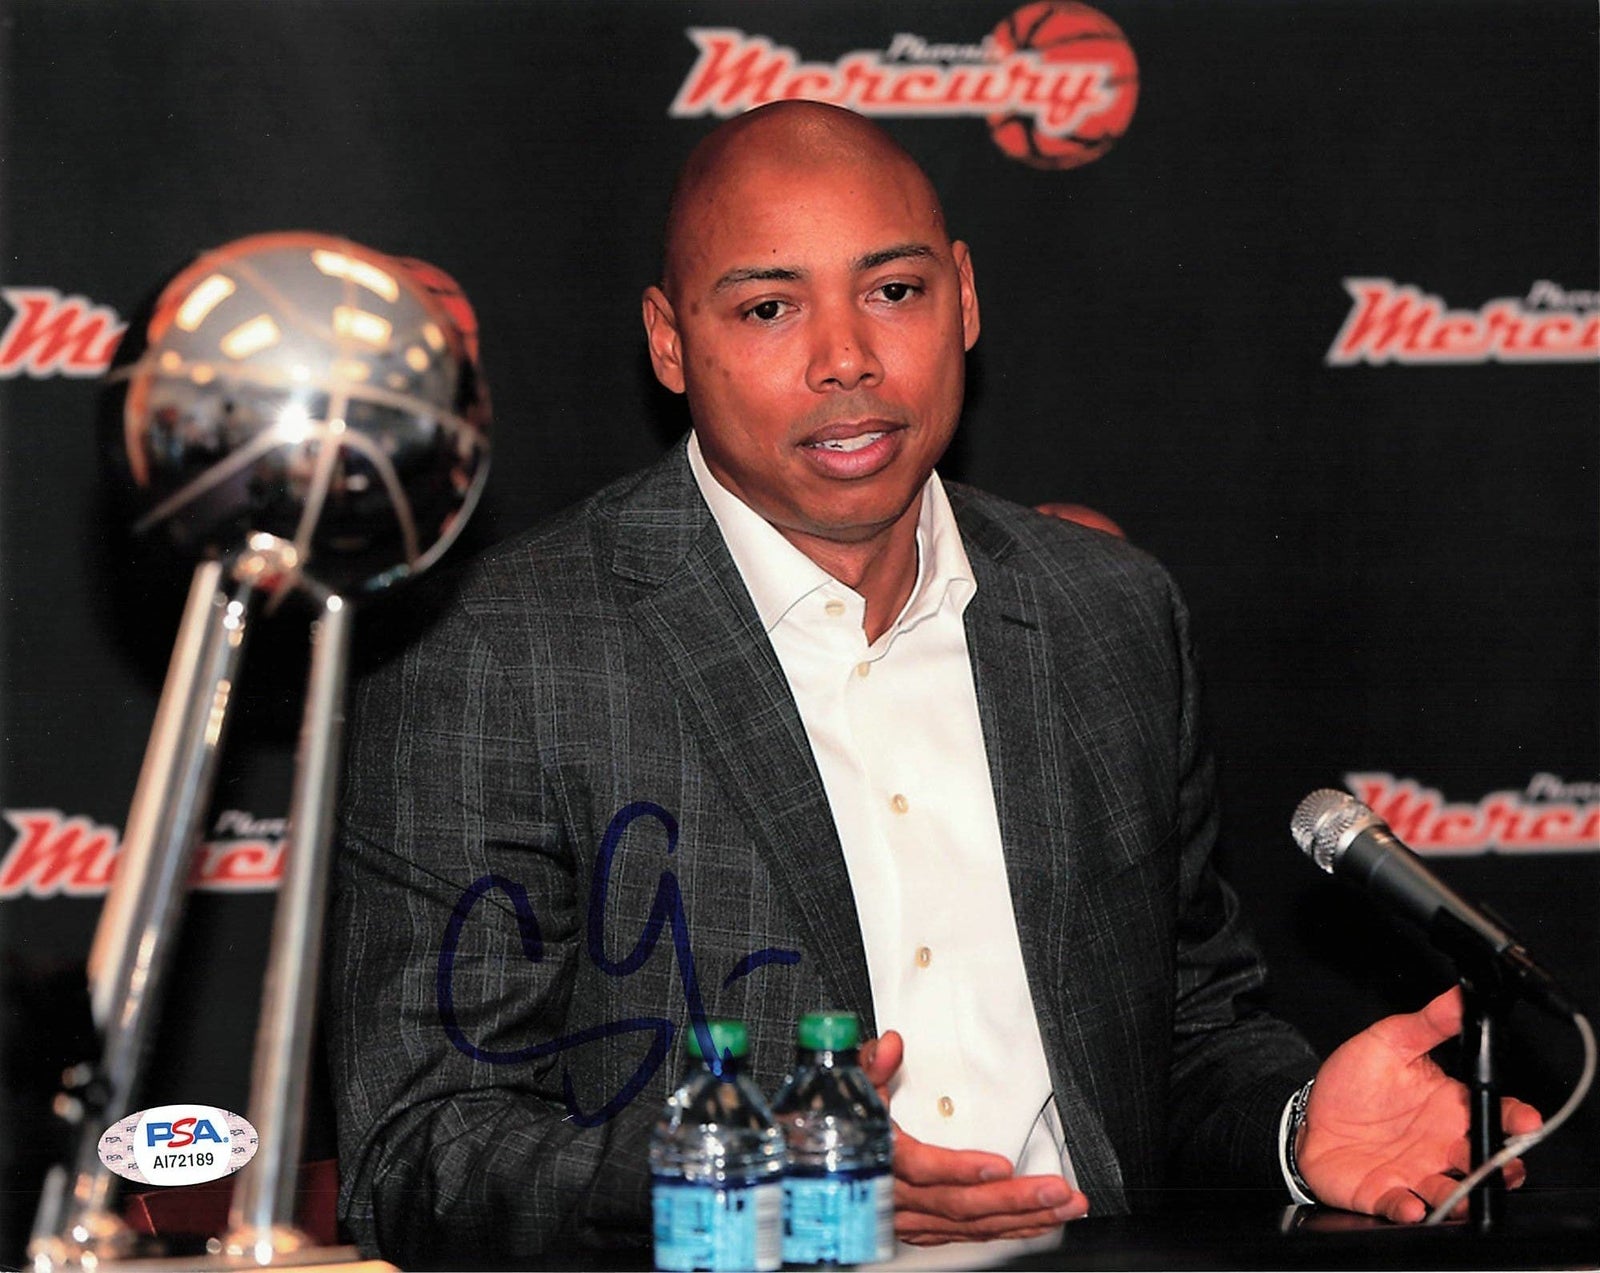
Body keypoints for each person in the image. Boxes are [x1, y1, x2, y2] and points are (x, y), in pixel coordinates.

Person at [325, 101, 1540, 1269]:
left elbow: (1180, 1034)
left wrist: (1296, 1123)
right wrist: (754, 1181)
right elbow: (422, 1145)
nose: (846, 359)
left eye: (894, 291)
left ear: (963, 295)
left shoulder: (1108, 615)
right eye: (767, 308)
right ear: (669, 339)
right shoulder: (497, 649)